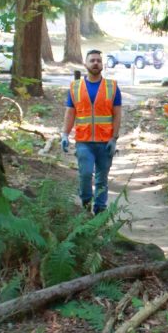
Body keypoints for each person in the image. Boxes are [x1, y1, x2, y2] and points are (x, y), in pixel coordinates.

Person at [61, 50, 122, 214]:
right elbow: (70, 113)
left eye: (98, 61)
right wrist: (65, 134)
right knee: (86, 174)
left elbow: (117, 115)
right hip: (84, 141)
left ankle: (100, 210)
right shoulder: (75, 87)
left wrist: (114, 138)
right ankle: (86, 203)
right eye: (92, 60)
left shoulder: (112, 87)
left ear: (102, 65)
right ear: (85, 64)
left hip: (105, 142)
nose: (96, 63)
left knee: (102, 179)